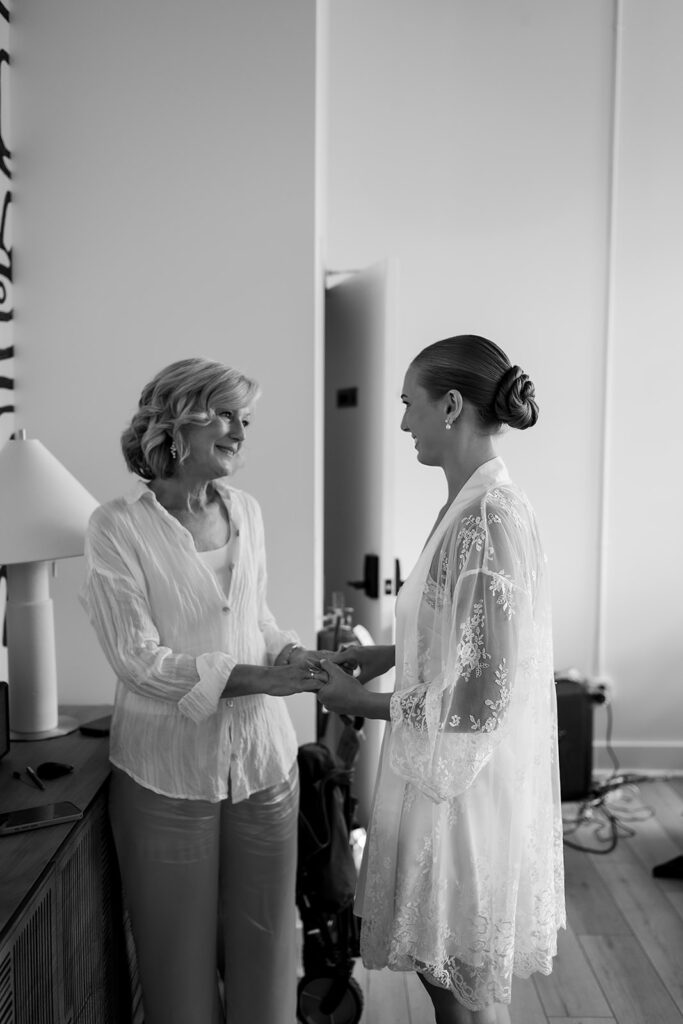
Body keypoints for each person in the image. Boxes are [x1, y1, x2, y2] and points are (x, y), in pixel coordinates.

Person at [317, 335, 566, 1024]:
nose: (402, 424)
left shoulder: (486, 519)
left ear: (450, 405)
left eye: (409, 405)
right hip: (442, 776)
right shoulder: (467, 505)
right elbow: (466, 632)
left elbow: (484, 694)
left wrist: (359, 703)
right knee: (445, 982)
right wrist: (390, 653)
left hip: (463, 786)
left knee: (460, 992)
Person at [80, 357, 328, 1024]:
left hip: (265, 768)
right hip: (166, 777)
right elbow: (139, 660)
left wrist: (290, 653)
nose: (239, 431)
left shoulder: (246, 510)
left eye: (243, 418)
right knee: (175, 966)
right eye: (223, 414)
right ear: (173, 422)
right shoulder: (115, 527)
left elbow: (258, 618)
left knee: (271, 951)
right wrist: (258, 678)